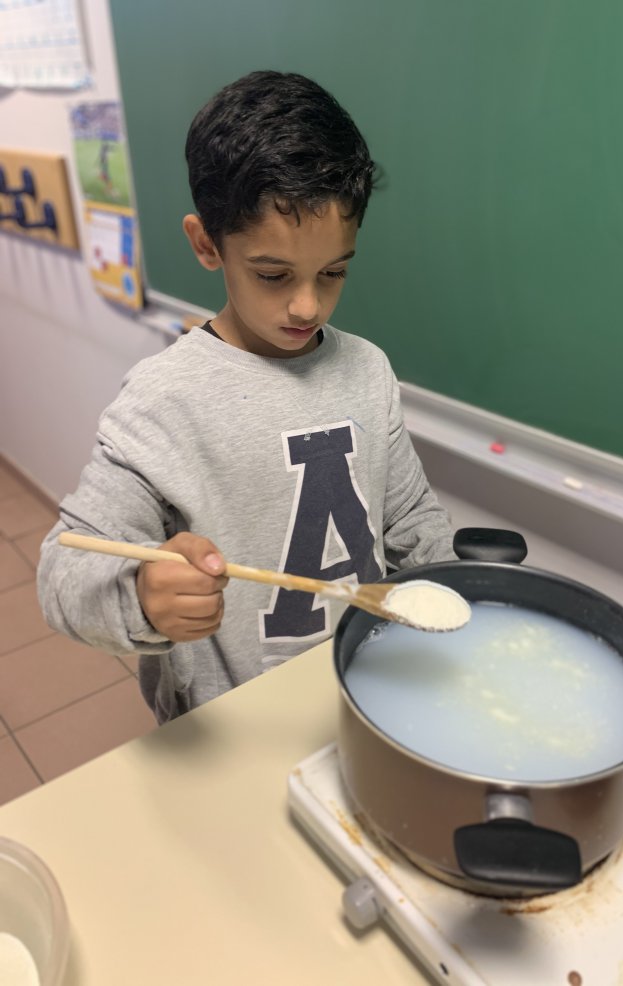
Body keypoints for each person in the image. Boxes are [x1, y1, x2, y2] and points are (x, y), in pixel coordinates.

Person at [38, 71, 456, 723]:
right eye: (273, 274)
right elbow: (66, 572)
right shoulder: (164, 401)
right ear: (207, 244)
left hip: (364, 694)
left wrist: (456, 596)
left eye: (334, 272)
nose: (308, 303)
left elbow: (410, 524)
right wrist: (146, 599)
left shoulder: (367, 371)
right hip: (232, 723)